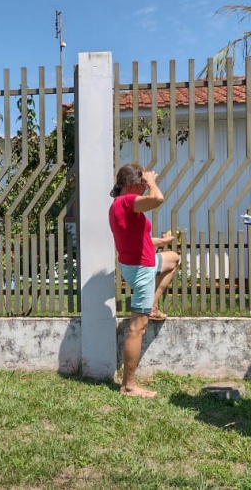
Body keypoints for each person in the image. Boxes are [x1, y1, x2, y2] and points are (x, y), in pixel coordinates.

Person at [109, 163, 179, 398]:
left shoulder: (122, 205)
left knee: (172, 259)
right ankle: (129, 386)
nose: (144, 185)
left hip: (141, 262)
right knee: (137, 328)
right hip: (141, 270)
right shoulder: (127, 201)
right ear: (131, 184)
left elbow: (135, 236)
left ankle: (154, 304)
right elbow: (158, 199)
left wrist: (159, 241)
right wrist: (151, 182)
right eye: (141, 182)